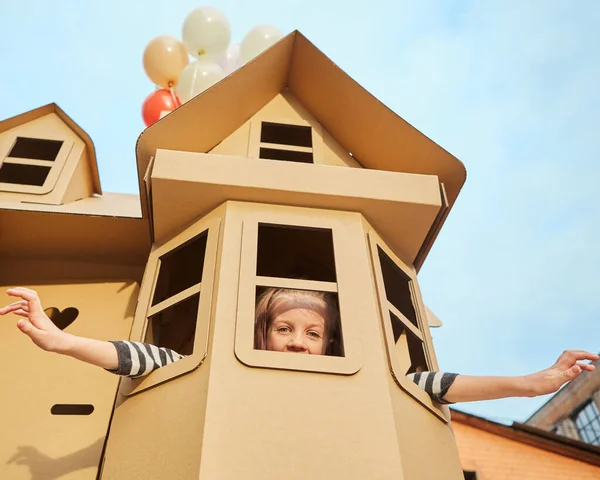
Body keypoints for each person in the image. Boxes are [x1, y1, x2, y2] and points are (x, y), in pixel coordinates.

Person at [1, 286, 598, 404]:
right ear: (263, 335)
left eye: (313, 335)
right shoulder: (224, 370)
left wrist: (535, 383)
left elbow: (431, 387)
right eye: (284, 329)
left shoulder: (350, 381)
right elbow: (143, 358)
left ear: (330, 345)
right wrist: (62, 341)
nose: (297, 343)